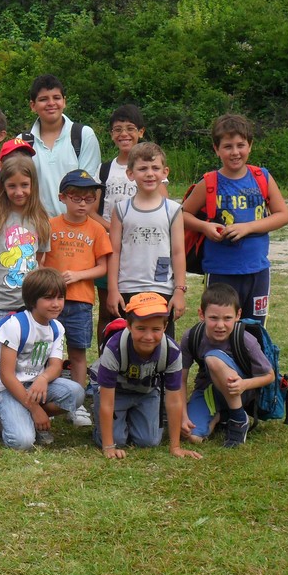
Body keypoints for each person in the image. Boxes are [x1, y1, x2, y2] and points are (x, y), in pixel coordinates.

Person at [180, 114, 288, 323]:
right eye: (228, 146)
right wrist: (205, 227)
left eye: (241, 145)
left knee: (255, 332)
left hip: (257, 270)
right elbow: (182, 215)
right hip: (220, 271)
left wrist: (248, 227)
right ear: (216, 149)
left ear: (250, 145)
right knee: (219, 331)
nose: (235, 152)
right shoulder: (210, 182)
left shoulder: (262, 177)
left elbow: (283, 215)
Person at [0, 267, 84, 451]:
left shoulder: (57, 327)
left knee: (76, 393)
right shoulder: (15, 325)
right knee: (23, 442)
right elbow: (6, 376)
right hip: (8, 388)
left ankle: (28, 417)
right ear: (32, 300)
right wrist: (35, 410)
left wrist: (43, 379)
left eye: (60, 298)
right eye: (48, 298)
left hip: (35, 384)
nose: (56, 304)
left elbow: (55, 365)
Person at [92, 293, 201, 459]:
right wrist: (108, 446)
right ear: (129, 325)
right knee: (117, 440)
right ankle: (108, 425)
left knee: (149, 441)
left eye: (156, 329)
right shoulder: (114, 348)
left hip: (146, 393)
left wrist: (175, 447)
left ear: (165, 327)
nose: (148, 336)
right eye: (141, 328)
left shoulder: (171, 351)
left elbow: (174, 399)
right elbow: (107, 402)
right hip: (116, 393)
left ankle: (130, 418)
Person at [42, 169, 112, 424]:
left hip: (81, 301)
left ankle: (77, 402)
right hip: (50, 302)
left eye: (89, 199)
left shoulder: (96, 229)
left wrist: (79, 275)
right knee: (48, 352)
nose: (82, 204)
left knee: (78, 352)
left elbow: (103, 267)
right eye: (76, 198)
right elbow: (40, 260)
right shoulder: (49, 225)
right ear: (63, 198)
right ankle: (46, 396)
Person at [179, 283, 274, 448]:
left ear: (238, 315)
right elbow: (180, 379)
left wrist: (244, 384)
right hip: (209, 392)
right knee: (193, 437)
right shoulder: (191, 336)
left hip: (240, 391)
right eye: (213, 318)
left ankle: (238, 419)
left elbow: (269, 376)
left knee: (213, 359)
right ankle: (221, 416)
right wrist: (182, 415)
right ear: (202, 314)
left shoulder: (245, 339)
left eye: (227, 318)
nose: (220, 325)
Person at [107, 143, 186, 337]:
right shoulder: (121, 209)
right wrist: (112, 290)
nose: (150, 174)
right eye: (143, 168)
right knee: (128, 341)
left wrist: (179, 291)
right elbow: (114, 252)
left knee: (162, 344)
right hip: (128, 288)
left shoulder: (173, 210)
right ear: (130, 174)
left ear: (165, 172)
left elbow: (178, 252)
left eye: (155, 168)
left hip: (162, 289)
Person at [0, 155, 52, 327]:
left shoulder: (41, 221)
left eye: (24, 185)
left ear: (33, 185)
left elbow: (38, 259)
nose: (18, 192)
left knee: (26, 348)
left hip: (30, 302)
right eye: (12, 186)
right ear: (3, 187)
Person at [92, 105, 148, 340]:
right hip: (109, 247)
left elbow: (162, 205)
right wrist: (113, 228)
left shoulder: (149, 166)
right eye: (118, 130)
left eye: (130, 129)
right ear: (111, 134)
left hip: (140, 249)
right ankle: (105, 362)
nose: (124, 134)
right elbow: (91, 212)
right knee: (108, 310)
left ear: (141, 132)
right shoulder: (104, 169)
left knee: (140, 310)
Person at [27, 74, 101, 217]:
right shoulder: (24, 142)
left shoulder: (83, 135)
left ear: (64, 101)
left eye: (56, 98)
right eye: (43, 99)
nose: (51, 103)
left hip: (75, 228)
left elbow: (89, 188)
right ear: (33, 106)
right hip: (35, 228)